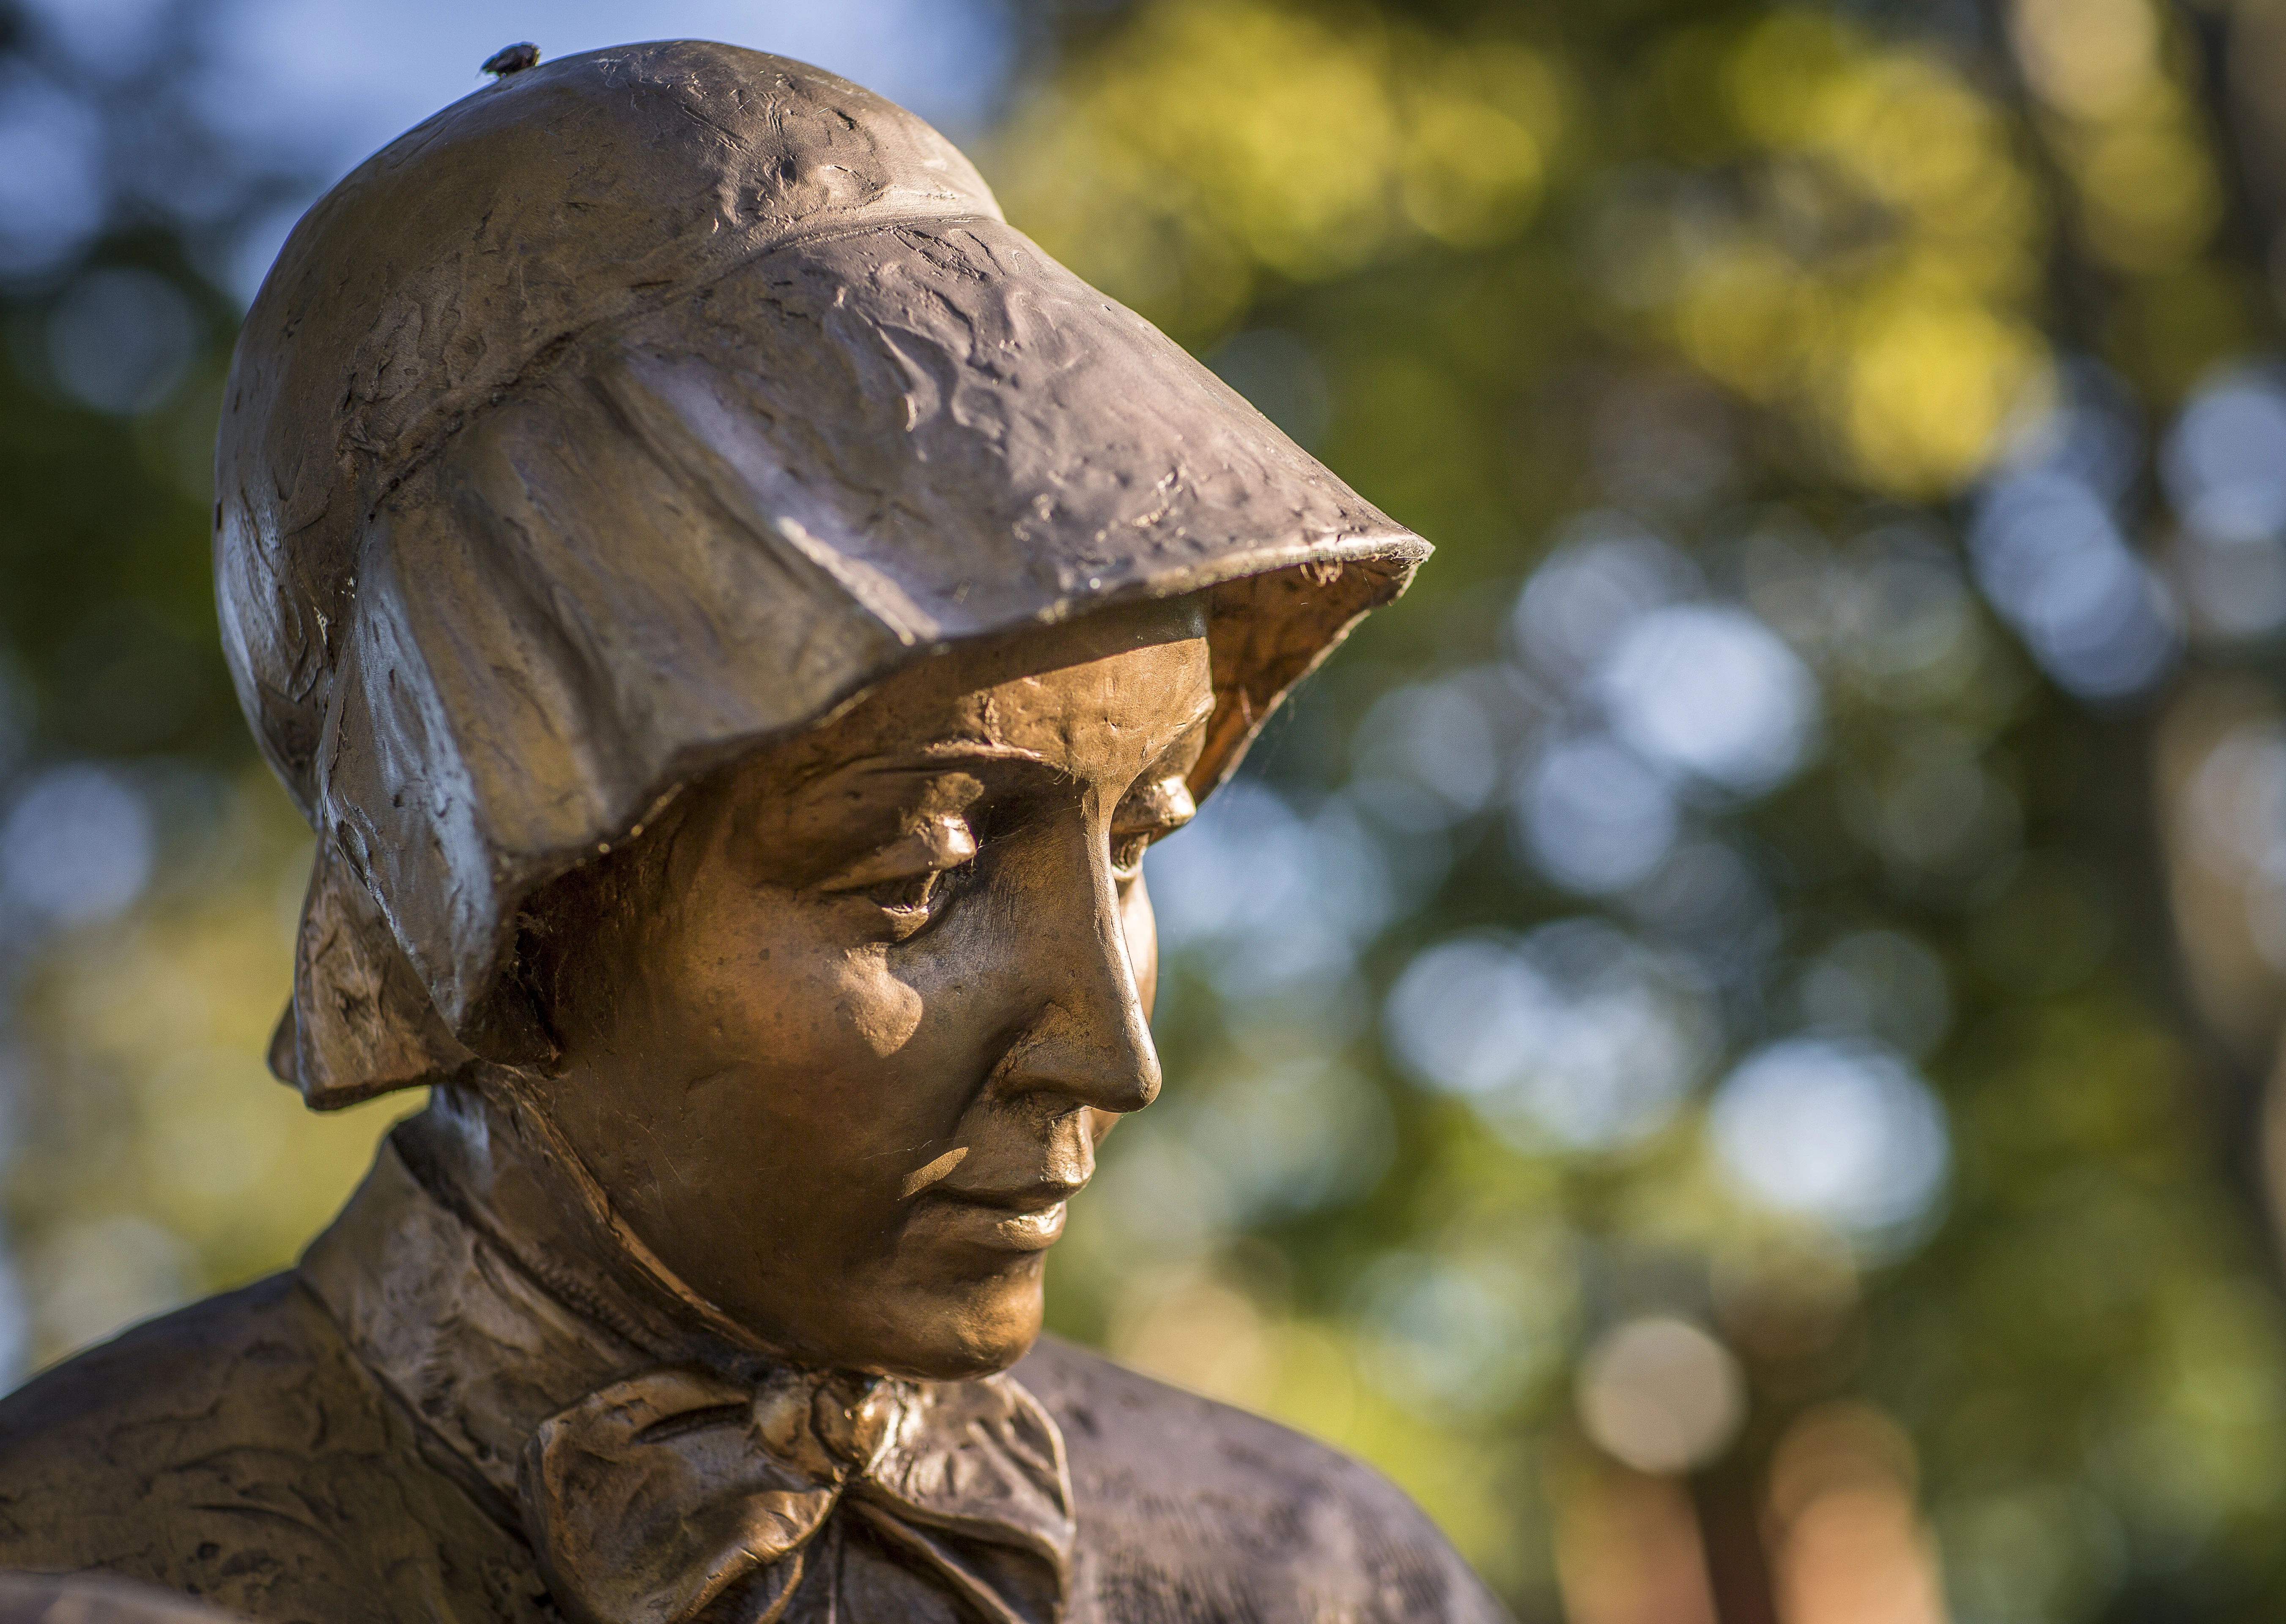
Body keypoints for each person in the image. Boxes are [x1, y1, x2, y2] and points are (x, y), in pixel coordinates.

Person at [0, 39, 1508, 1624]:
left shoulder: (1323, 1579)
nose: (1115, 1053)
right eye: (920, 877)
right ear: (518, 908)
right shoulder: (67, 1561)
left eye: (1135, 846)